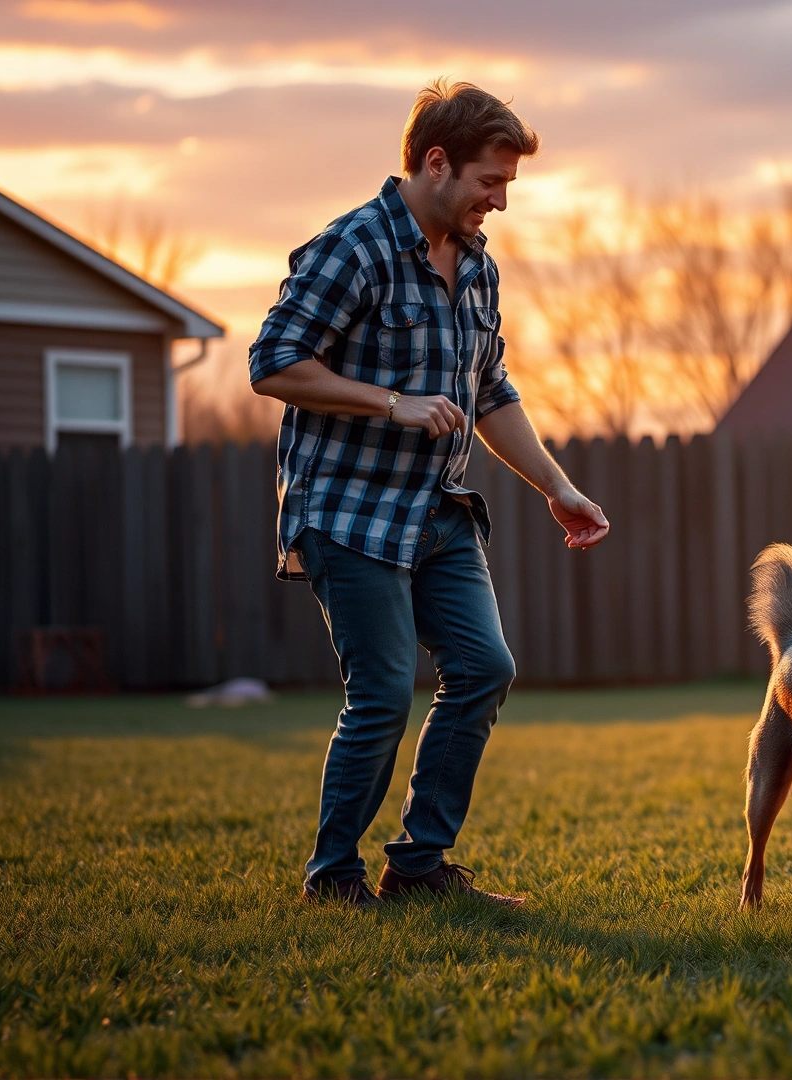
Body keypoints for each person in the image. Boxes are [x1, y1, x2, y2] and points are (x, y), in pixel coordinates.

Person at [250, 79, 609, 909]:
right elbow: (272, 363)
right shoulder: (354, 248)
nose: (500, 203)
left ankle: (418, 867)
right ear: (436, 162)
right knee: (380, 693)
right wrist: (391, 402)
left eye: (508, 186)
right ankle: (331, 878)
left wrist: (558, 487)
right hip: (348, 510)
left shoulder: (478, 265)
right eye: (491, 182)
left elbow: (492, 394)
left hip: (440, 512)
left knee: (484, 667)